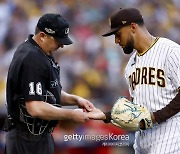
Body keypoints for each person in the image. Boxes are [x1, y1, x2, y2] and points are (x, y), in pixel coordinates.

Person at [87, 8, 180, 154]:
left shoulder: (171, 51)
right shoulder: (130, 65)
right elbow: (137, 108)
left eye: (118, 34)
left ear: (133, 27)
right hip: (142, 140)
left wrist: (155, 117)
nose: (116, 41)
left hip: (169, 134)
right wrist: (107, 115)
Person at [4, 13, 94, 154]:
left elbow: (49, 93)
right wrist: (71, 115)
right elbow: (35, 107)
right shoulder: (31, 58)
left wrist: (76, 100)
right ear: (42, 36)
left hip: (38, 138)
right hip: (26, 140)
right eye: (58, 40)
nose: (61, 45)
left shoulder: (41, 52)